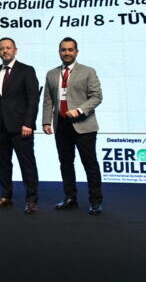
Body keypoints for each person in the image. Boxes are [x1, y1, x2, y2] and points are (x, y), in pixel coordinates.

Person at [42, 37, 104, 215]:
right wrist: (46, 121)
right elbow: (48, 100)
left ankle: (95, 201)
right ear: (59, 52)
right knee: (65, 163)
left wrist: (80, 110)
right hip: (61, 125)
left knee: (90, 164)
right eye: (63, 50)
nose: (67, 53)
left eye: (70, 49)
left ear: (76, 52)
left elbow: (97, 96)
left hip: (83, 125)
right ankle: (70, 198)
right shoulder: (51, 73)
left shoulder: (88, 71)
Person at [0, 37, 40, 214]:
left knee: (27, 164)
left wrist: (28, 123)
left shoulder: (26, 70)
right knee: (3, 164)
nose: (5, 51)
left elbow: (33, 99)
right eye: (1, 48)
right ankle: (5, 196)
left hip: (21, 128)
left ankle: (31, 200)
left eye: (8, 48)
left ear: (15, 50)